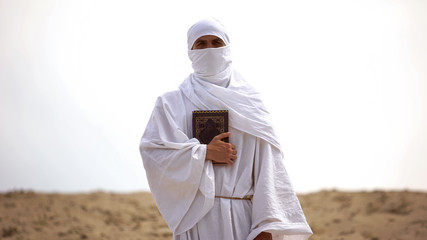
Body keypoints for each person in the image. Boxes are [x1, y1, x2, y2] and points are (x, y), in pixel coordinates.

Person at [139, 18, 313, 240]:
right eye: (201, 44)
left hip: (244, 218)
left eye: (216, 42)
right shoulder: (170, 104)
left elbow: (269, 168)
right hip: (196, 218)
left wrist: (266, 226)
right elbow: (154, 152)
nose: (209, 48)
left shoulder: (250, 104)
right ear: (190, 51)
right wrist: (203, 153)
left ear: (227, 48)